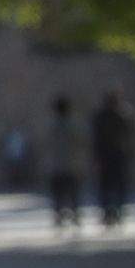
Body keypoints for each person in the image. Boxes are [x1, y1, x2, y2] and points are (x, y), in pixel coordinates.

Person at [87, 90, 133, 229]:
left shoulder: (102, 117)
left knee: (107, 186)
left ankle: (110, 212)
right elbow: (130, 136)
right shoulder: (123, 115)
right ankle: (115, 211)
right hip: (116, 155)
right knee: (117, 186)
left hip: (107, 156)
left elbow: (95, 139)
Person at [47, 96, 85, 232]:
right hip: (72, 165)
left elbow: (47, 145)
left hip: (58, 166)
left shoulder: (52, 127)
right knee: (73, 193)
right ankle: (74, 215)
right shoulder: (74, 126)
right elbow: (82, 143)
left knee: (59, 194)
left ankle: (59, 216)